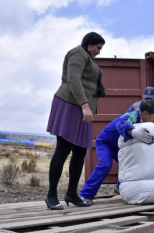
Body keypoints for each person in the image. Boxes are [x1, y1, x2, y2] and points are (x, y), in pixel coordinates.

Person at [45, 32, 105, 210]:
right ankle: (51, 196)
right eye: (97, 48)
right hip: (71, 104)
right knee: (63, 149)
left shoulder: (88, 59)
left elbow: (87, 80)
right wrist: (85, 105)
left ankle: (71, 193)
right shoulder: (77, 53)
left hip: (82, 108)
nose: (98, 52)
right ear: (89, 43)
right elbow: (73, 79)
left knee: (80, 152)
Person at [79, 101, 154, 204]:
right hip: (105, 143)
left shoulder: (145, 122)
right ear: (145, 114)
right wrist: (133, 132)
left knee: (131, 165)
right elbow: (120, 125)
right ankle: (85, 195)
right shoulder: (132, 115)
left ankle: (118, 188)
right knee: (105, 165)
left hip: (118, 147)